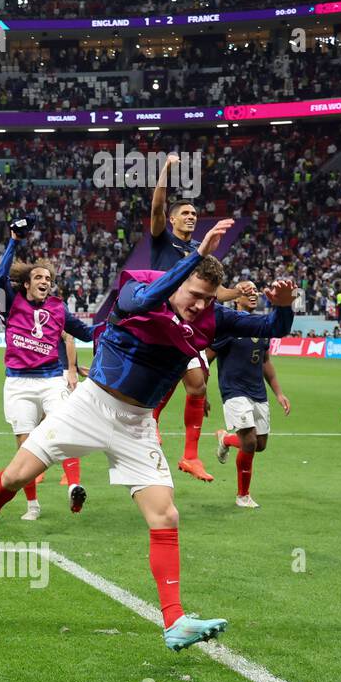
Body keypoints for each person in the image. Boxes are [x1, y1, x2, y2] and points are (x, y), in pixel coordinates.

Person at [0, 220, 296, 651]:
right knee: (17, 476)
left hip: (137, 423)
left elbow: (273, 329)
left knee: (165, 516)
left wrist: (282, 306)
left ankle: (175, 622)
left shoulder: (213, 317)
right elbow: (145, 300)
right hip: (90, 404)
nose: (201, 305)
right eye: (195, 294)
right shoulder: (141, 284)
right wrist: (190, 257)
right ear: (181, 278)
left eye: (209, 299)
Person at [147, 154, 253, 482]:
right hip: (159, 317)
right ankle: (150, 422)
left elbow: (211, 292)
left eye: (195, 213)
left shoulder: (200, 250)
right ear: (173, 219)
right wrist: (165, 170)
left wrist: (237, 292)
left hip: (188, 324)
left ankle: (190, 456)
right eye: (186, 213)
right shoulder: (161, 238)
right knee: (160, 378)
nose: (192, 217)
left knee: (196, 386)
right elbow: (157, 208)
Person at [0, 221, 94, 520]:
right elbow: (1, 275)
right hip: (17, 384)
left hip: (52, 379)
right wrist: (13, 240)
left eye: (48, 278)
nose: (44, 281)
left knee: (62, 427)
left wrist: (120, 322)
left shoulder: (58, 308)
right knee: (25, 445)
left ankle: (74, 486)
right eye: (38, 277)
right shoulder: (11, 304)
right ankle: (32, 504)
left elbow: (88, 333)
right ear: (26, 283)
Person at [210, 285, 291, 508]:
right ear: (237, 298)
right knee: (249, 441)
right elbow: (207, 358)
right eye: (248, 291)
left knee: (260, 444)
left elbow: (265, 362)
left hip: (258, 392)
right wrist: (199, 392)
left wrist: (279, 393)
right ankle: (242, 495)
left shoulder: (260, 327)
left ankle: (225, 439)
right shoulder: (227, 326)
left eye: (256, 291)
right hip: (233, 391)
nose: (253, 295)